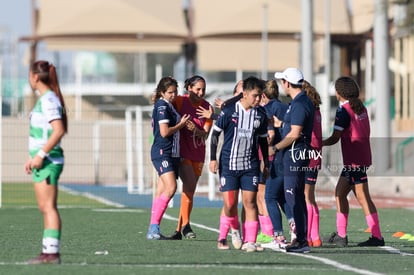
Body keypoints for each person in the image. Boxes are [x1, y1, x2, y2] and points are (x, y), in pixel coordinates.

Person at [322, 76, 385, 247]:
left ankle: (343, 235)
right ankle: (376, 236)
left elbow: (336, 137)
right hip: (363, 158)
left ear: (338, 92)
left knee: (340, 194)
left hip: (354, 161)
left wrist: (320, 143)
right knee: (361, 196)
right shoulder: (361, 107)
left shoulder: (344, 110)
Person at [209, 76, 268, 252]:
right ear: (245, 93)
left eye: (260, 96)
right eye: (255, 95)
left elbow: (263, 141)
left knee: (250, 203)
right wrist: (213, 158)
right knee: (230, 204)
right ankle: (232, 231)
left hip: (250, 165)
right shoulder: (229, 111)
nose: (258, 99)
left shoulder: (260, 115)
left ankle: (250, 241)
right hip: (228, 165)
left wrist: (266, 163)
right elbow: (214, 135)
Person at [25, 60, 68, 264]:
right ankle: (47, 251)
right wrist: (32, 156)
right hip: (42, 160)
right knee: (44, 206)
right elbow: (41, 133)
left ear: (35, 77)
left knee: (49, 206)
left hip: (49, 161)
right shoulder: (45, 98)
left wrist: (41, 155)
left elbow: (58, 130)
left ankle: (52, 253)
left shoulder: (49, 99)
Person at [273, 68, 315, 253]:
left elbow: (295, 133)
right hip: (295, 152)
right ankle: (302, 238)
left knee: (293, 196)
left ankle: (301, 240)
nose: (282, 84)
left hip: (295, 153)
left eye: (282, 81)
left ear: (287, 83)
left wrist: (275, 147)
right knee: (296, 196)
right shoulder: (299, 102)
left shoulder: (299, 103)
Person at [169, 75, 213, 239]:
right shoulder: (180, 101)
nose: (201, 93)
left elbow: (206, 135)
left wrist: (196, 129)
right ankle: (186, 226)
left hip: (199, 153)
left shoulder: (207, 107)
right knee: (189, 183)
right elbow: (165, 102)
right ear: (189, 88)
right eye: (198, 89)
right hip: (182, 151)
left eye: (203, 89)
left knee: (190, 190)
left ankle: (179, 229)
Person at [147, 76, 190, 240]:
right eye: (170, 92)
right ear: (162, 93)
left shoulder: (168, 105)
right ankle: (153, 227)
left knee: (161, 190)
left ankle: (153, 229)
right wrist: (181, 124)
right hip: (162, 152)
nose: (173, 95)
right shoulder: (162, 106)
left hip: (172, 153)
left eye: (175, 92)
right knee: (171, 188)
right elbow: (164, 132)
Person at [302, 80, 323, 247]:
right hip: (316, 154)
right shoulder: (317, 110)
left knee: (305, 196)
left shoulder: (307, 110)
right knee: (311, 196)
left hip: (308, 154)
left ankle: (309, 236)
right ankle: (315, 237)